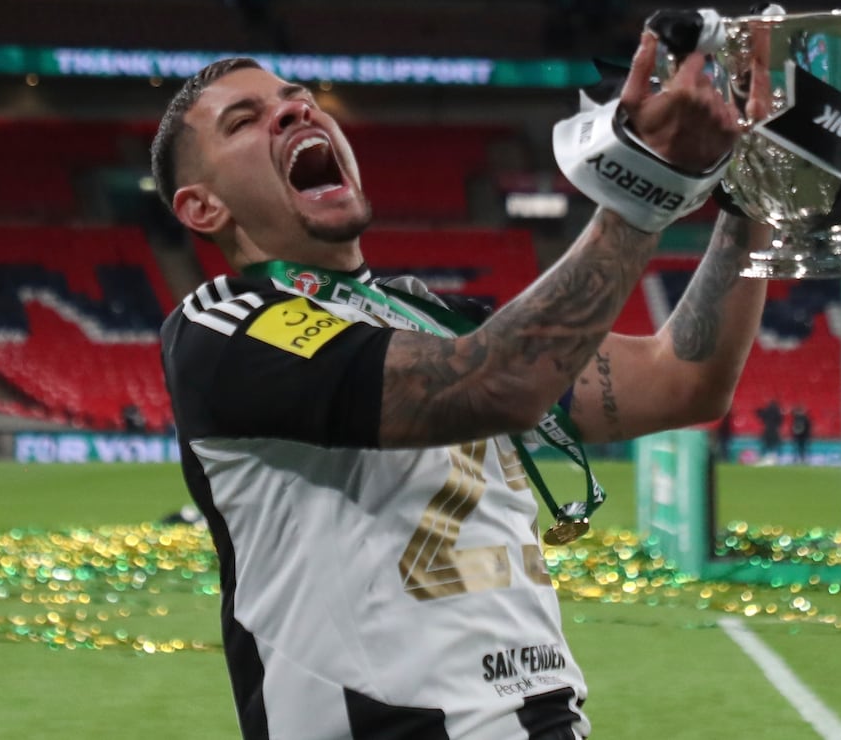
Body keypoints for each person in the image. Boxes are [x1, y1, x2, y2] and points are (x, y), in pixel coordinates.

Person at [153, 46, 769, 739]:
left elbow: (682, 381)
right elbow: (499, 381)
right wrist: (645, 182)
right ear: (201, 206)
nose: (293, 110)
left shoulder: (434, 320)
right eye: (243, 121)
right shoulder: (224, 327)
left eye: (297, 98)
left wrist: (752, 194)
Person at [757, 398, 785, 464]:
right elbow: (780, 421)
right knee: (776, 445)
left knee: (765, 445)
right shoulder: (778, 411)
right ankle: (777, 458)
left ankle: (763, 458)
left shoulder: (767, 410)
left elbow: (760, 415)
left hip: (767, 430)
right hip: (775, 430)